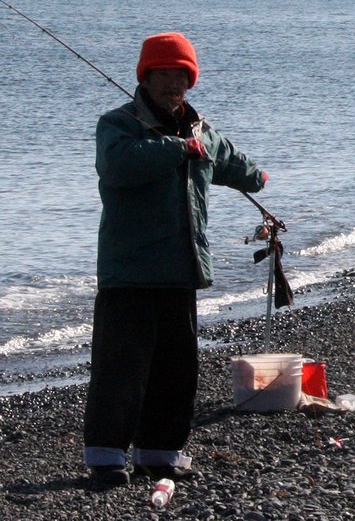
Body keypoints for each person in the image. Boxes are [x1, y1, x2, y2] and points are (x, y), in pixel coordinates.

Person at [89, 33, 268, 485]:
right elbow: (118, 166)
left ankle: (160, 454)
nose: (173, 84)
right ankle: (106, 458)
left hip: (181, 270)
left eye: (181, 77)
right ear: (146, 78)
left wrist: (258, 176)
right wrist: (175, 149)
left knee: (176, 368)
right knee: (120, 368)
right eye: (164, 75)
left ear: (190, 82)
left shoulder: (200, 129)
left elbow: (229, 161)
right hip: (128, 272)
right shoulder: (118, 124)